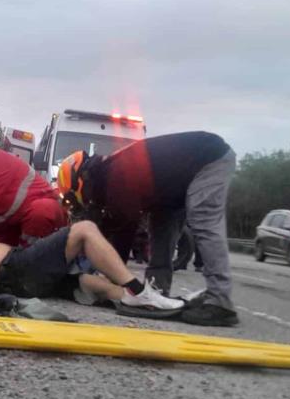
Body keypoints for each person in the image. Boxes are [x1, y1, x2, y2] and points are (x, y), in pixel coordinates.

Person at [57, 132, 239, 327]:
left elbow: (125, 230)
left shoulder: (116, 175)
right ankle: (158, 293)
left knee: (204, 220)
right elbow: (117, 224)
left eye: (75, 200)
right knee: (161, 228)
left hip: (209, 158)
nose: (83, 205)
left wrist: (115, 279)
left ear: (80, 182)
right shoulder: (110, 172)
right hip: (173, 186)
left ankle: (220, 302)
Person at [0, 221, 185, 314]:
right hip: (15, 270)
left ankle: (133, 299)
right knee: (83, 229)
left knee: (85, 282)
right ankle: (138, 290)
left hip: (21, 271)